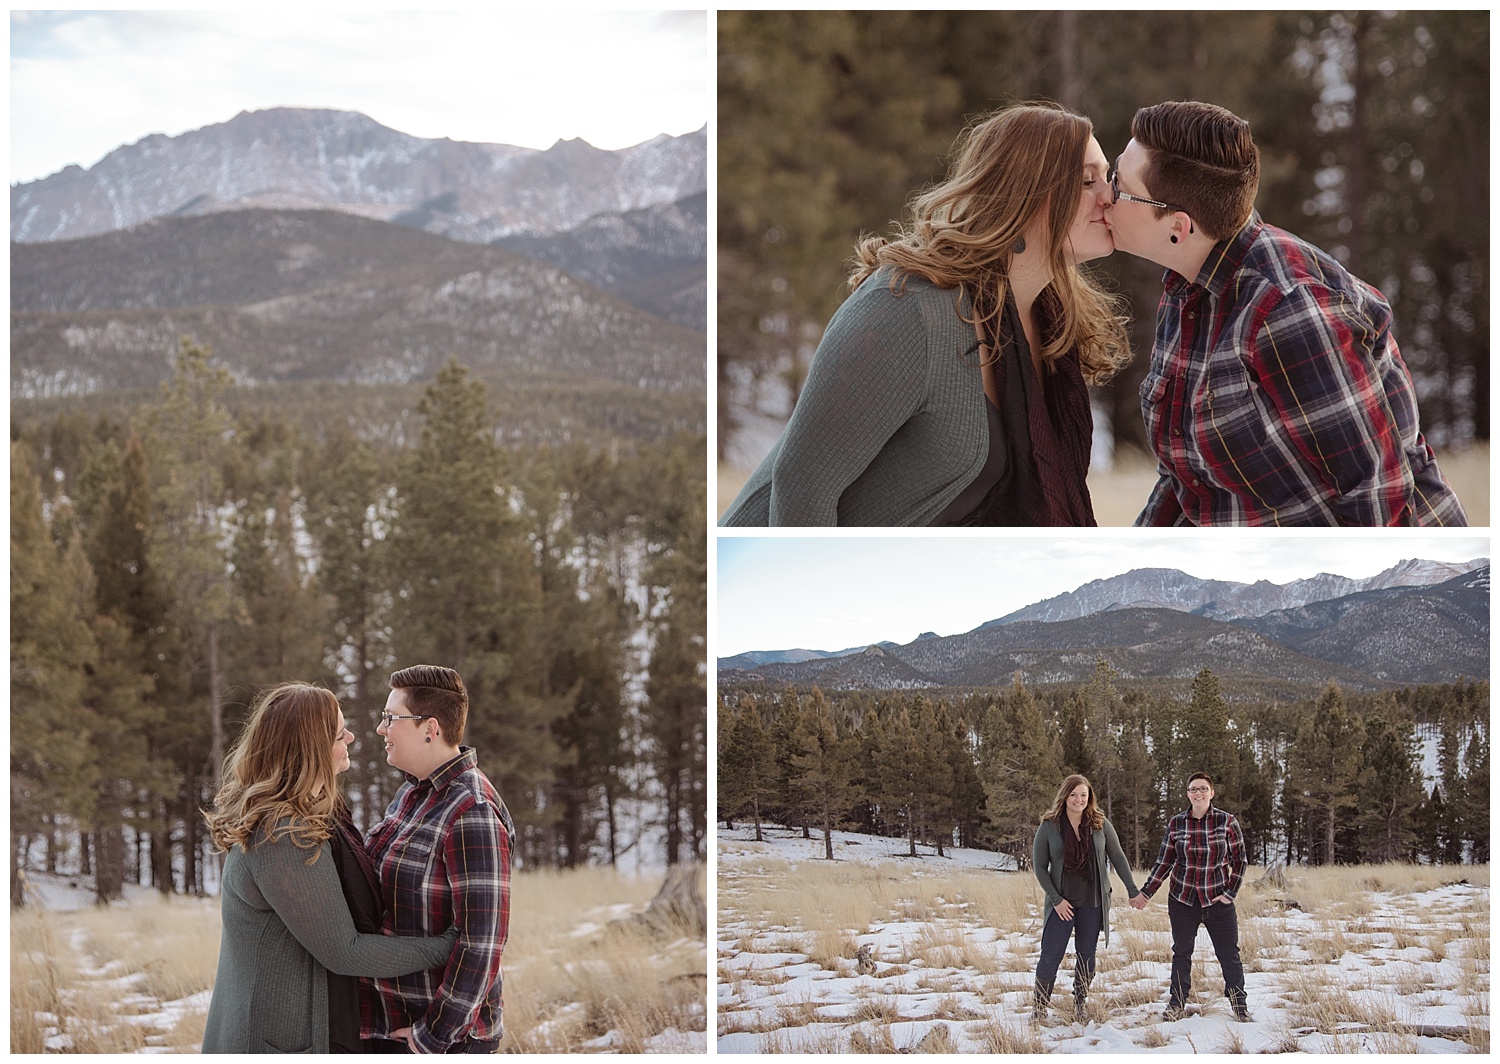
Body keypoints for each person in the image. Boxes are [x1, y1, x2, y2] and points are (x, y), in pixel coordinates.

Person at [720, 101, 1131, 526]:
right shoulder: (909, 311)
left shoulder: (1048, 323)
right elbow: (802, 485)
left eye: (1108, 178)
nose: (1109, 197)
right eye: (1086, 181)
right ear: (1023, 195)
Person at [1105, 99, 1467, 527]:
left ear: (1177, 228)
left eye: (1117, 183)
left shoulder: (1288, 310)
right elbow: (1188, 482)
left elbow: (1375, 500)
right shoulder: (1187, 285)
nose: (1103, 194)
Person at [202, 683, 458, 1054]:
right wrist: (448, 945)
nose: (352, 736)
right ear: (311, 750)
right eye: (340, 734)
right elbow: (345, 951)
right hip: (269, 1042)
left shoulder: (305, 816)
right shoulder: (282, 835)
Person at [363, 665, 514, 1053]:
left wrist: (433, 1036)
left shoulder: (471, 810)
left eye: (391, 718)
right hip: (387, 1024)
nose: (382, 729)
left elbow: (482, 941)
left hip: (439, 1041)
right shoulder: (411, 796)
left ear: (430, 728)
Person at [1131, 772, 1249, 1021]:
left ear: (1211, 793)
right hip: (1183, 899)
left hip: (1218, 900)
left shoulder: (1227, 822)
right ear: (1188, 794)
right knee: (1182, 952)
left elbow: (1240, 861)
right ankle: (1177, 1003)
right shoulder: (1177, 824)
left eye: (1203, 789)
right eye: (1194, 789)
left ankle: (1239, 1005)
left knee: (1229, 954)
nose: (1198, 793)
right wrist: (1146, 893)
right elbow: (1164, 862)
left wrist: (1230, 893)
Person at [1031, 774, 1142, 1023]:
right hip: (1063, 905)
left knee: (1087, 957)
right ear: (1065, 796)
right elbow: (1039, 867)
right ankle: (1039, 1009)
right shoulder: (1049, 826)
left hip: (1092, 903)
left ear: (1089, 797)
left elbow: (1118, 857)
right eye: (1073, 794)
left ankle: (1079, 1002)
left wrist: (1132, 890)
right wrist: (1055, 899)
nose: (1078, 799)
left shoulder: (1099, 824)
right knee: (1050, 956)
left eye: (1083, 795)